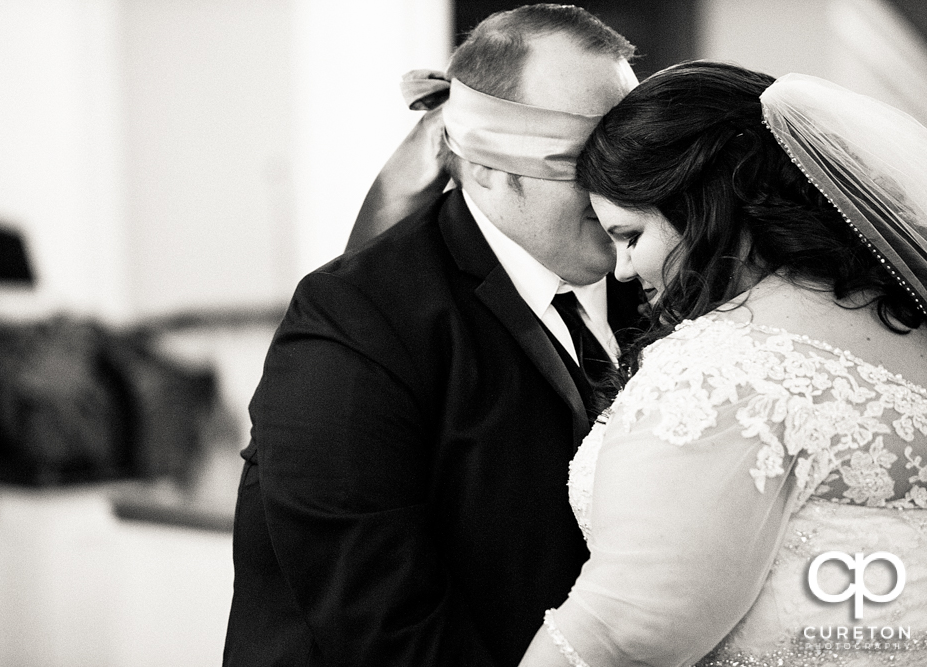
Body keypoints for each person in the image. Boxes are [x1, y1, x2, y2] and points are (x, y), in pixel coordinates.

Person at [223, 5, 646, 666]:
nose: (628, 188)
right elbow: (384, 628)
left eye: (640, 153)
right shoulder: (354, 327)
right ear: (482, 162)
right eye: (586, 160)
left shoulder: (653, 288)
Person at [519, 61, 927, 666]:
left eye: (630, 236)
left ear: (708, 199)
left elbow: (620, 635)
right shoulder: (904, 316)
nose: (624, 270)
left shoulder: (727, 370)